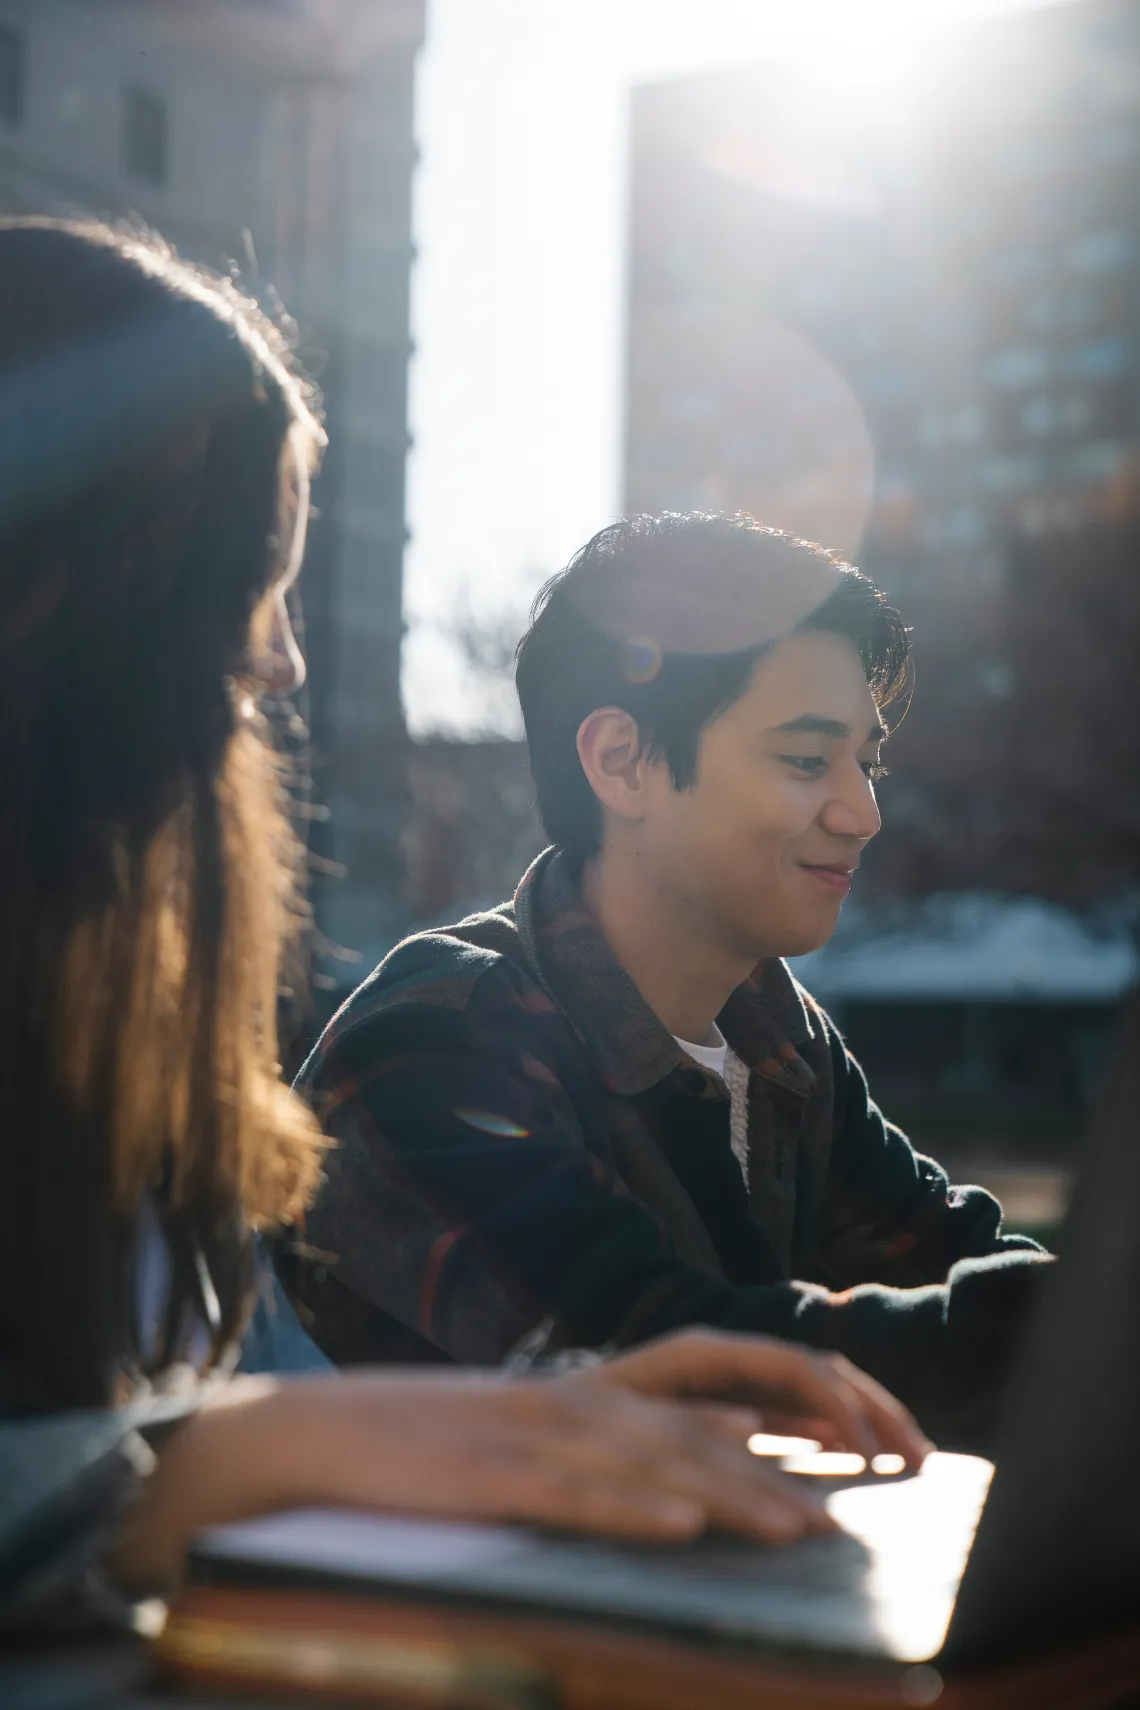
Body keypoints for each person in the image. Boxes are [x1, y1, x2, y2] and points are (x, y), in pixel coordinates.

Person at [0, 221, 927, 1633]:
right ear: (59, 597)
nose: (283, 658)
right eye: (243, 587)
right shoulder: (434, 1040)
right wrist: (242, 1457)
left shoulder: (780, 1041)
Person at [285, 513, 1049, 1447]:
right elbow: (661, 1361)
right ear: (621, 762)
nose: (864, 812)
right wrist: (1080, 1340)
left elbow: (944, 1250)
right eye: (809, 761)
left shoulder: (781, 1042)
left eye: (868, 762)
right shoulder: (435, 1036)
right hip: (411, 1594)